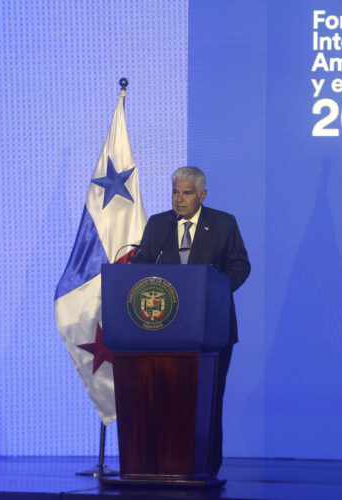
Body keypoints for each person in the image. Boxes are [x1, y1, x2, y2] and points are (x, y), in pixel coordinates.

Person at [132, 166, 250, 475]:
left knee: (208, 400)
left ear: (202, 195)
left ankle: (205, 467)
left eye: (186, 193)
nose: (179, 199)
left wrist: (215, 288)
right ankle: (164, 463)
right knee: (165, 398)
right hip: (163, 330)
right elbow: (142, 265)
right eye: (175, 191)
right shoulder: (158, 225)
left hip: (212, 329)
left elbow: (240, 266)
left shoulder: (223, 224)